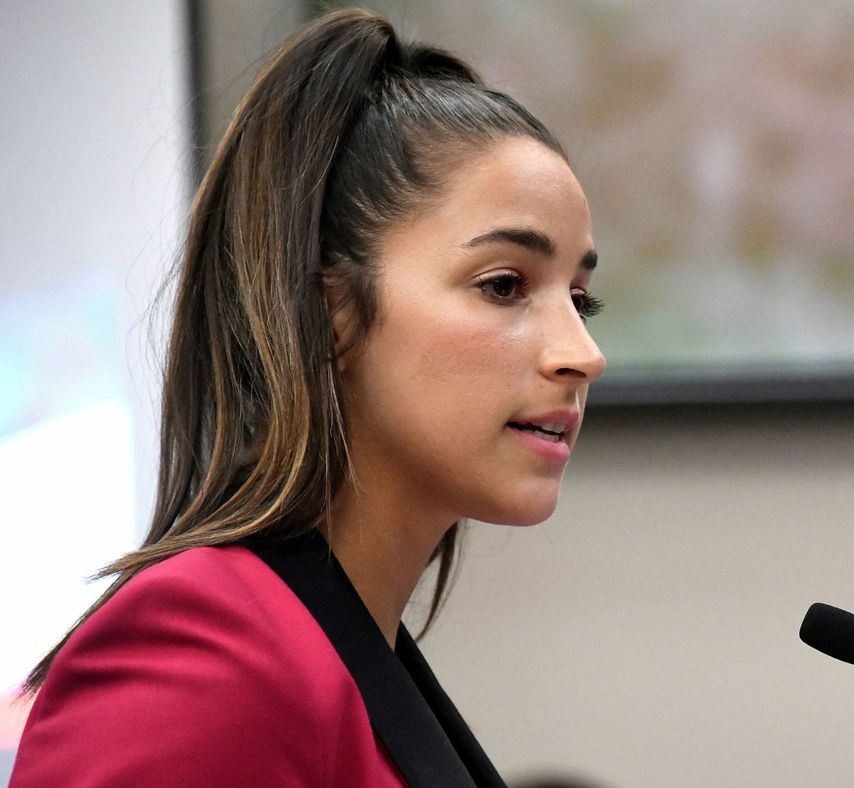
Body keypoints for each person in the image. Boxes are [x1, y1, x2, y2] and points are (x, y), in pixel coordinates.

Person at [11, 9, 605, 787]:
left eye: (581, 301)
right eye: (504, 286)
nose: (583, 355)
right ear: (327, 310)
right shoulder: (209, 657)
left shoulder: (335, 642)